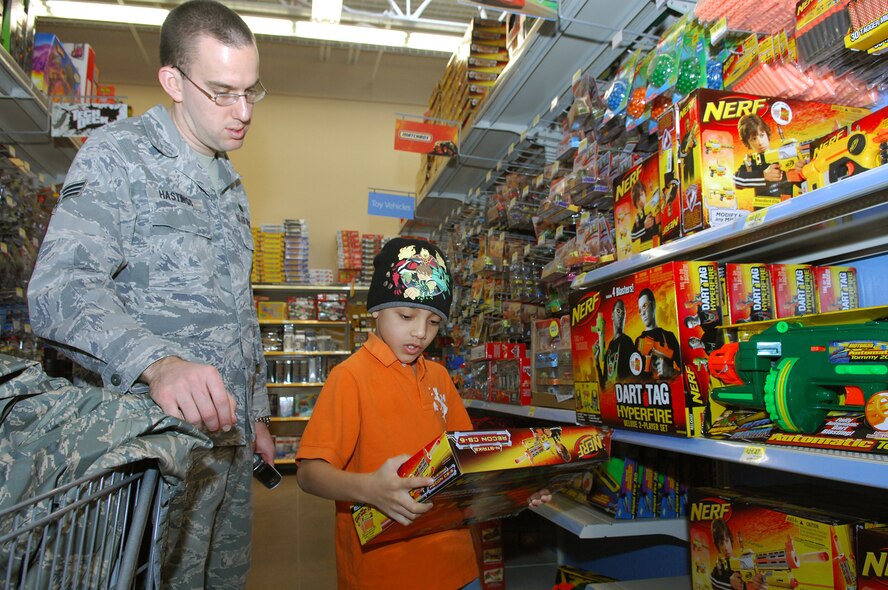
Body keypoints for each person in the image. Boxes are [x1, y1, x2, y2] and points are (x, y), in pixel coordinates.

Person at [26, 1, 272, 587]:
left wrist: (257, 410)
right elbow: (59, 289)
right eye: (222, 92)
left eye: (252, 91)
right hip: (151, 455)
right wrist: (157, 364)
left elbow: (240, 310)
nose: (243, 112)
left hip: (228, 451)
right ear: (173, 82)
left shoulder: (229, 185)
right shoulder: (119, 158)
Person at [295, 238, 550, 589]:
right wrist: (370, 488)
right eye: (405, 316)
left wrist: (515, 489)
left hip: (458, 566)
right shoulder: (350, 378)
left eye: (433, 322)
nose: (420, 332)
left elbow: (471, 460)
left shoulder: (440, 377)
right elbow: (310, 474)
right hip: (384, 573)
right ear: (376, 310)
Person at [733, 114, 803, 199]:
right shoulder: (751, 161)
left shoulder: (782, 154)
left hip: (787, 206)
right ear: (748, 143)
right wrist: (763, 176)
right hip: (763, 210)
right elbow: (736, 180)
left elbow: (802, 183)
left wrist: (802, 171)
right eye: (754, 139)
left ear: (767, 134)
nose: (760, 142)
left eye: (762, 135)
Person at [634, 288, 681, 380]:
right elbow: (637, 377)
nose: (642, 313)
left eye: (645, 306)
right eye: (640, 310)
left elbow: (685, 370)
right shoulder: (638, 341)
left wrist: (670, 371)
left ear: (653, 305)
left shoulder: (669, 336)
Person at [710, 518, 769, 590]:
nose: (725, 547)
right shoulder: (718, 569)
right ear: (718, 546)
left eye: (726, 541)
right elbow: (713, 581)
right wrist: (730, 583)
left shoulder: (742, 559)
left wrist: (761, 586)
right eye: (721, 543)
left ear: (730, 540)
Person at [598, 300, 638, 385]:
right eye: (618, 311)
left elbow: (635, 375)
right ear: (612, 315)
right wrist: (596, 362)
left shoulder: (627, 342)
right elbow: (604, 383)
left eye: (623, 313)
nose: (621, 316)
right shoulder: (610, 346)